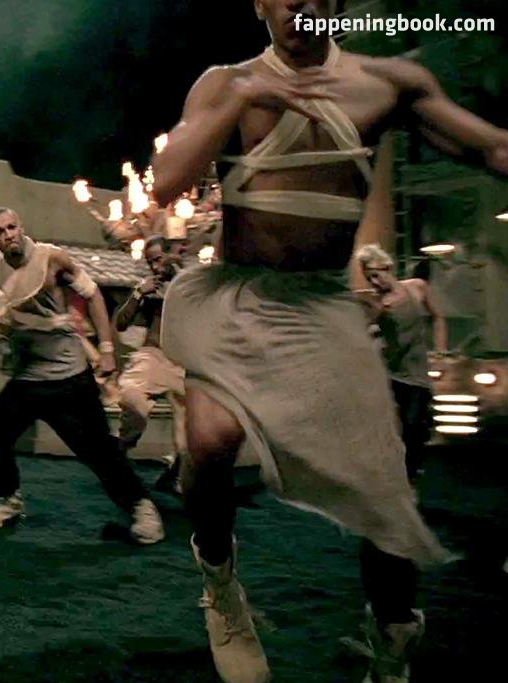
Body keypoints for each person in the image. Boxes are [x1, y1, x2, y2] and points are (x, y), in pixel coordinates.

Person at [150, 2, 506, 680]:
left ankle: (392, 642)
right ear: (260, 4)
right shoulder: (224, 83)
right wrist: (245, 96)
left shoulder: (387, 84)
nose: (301, 6)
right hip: (238, 296)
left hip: (321, 305)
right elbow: (167, 182)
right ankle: (220, 583)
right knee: (209, 439)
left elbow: (491, 148)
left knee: (385, 497)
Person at [0, 208, 165, 543]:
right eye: (0, 232)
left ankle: (142, 508)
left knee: (97, 450)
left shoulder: (52, 258)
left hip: (70, 377)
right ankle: (9, 501)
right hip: (29, 378)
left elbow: (93, 295)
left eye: (11, 227)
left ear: (21, 226)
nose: (8, 235)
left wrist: (106, 349)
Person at [356, 244, 446, 483]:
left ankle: (410, 474)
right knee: (396, 428)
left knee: (416, 427)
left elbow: (438, 317)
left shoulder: (417, 287)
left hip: (417, 371)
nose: (374, 282)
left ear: (387, 267)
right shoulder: (378, 302)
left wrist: (440, 351)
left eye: (375, 275)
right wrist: (377, 319)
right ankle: (397, 479)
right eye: (369, 278)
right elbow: (364, 331)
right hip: (392, 372)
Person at [113, 235, 187, 486]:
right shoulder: (147, 287)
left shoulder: (189, 284)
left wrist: (176, 278)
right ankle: (120, 453)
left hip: (183, 362)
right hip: (153, 356)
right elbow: (120, 323)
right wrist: (138, 293)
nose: (155, 267)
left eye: (158, 259)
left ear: (172, 254)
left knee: (189, 423)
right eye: (150, 262)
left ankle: (177, 473)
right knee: (131, 397)